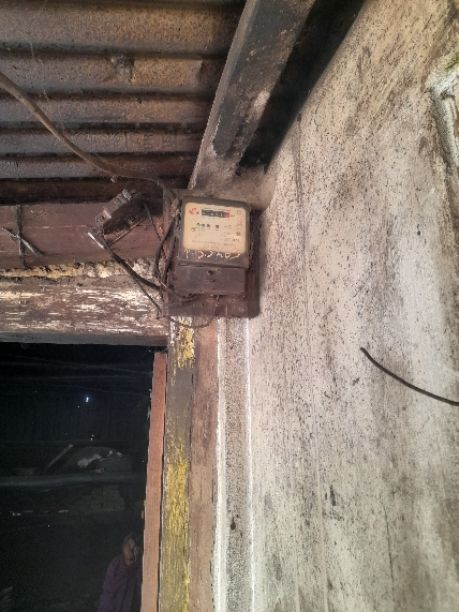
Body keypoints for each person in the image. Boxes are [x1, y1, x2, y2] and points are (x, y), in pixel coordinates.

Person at [97, 534, 142, 612]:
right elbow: (107, 589)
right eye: (128, 545)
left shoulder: (138, 568)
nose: (131, 549)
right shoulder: (116, 564)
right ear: (123, 547)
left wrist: (136, 562)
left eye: (134, 547)